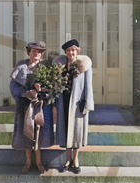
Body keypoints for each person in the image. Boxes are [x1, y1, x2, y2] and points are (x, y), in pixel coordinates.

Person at [10, 41, 54, 174]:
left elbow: (53, 88)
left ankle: (39, 162)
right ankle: (28, 162)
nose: (37, 53)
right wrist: (27, 94)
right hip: (25, 106)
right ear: (28, 52)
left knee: (39, 134)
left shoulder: (46, 68)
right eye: (34, 51)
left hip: (41, 106)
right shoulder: (21, 67)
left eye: (39, 51)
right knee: (27, 133)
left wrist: (43, 93)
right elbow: (13, 86)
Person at [53, 39, 94, 174]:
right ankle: (67, 159)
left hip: (77, 104)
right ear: (65, 52)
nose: (71, 52)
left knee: (76, 132)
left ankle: (76, 160)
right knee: (66, 131)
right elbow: (54, 86)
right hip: (63, 102)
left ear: (77, 51)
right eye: (69, 50)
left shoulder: (84, 65)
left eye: (74, 49)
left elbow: (88, 85)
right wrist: (53, 104)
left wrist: (88, 103)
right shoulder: (60, 66)